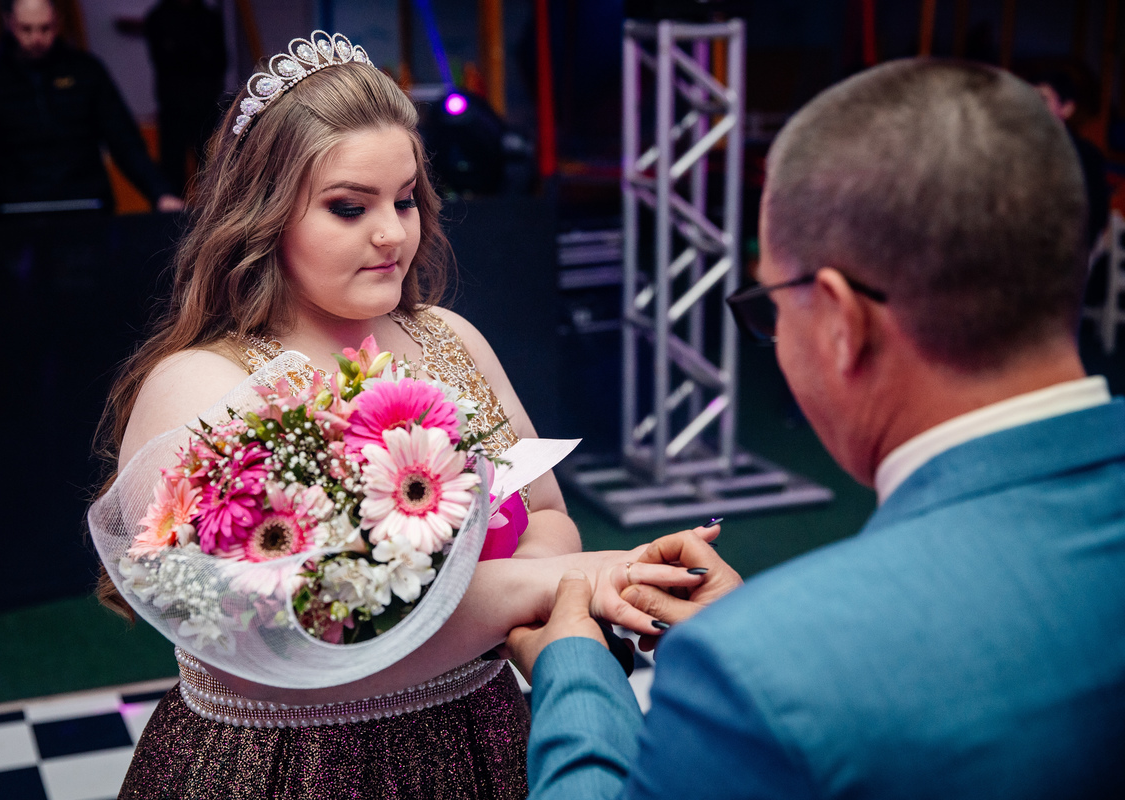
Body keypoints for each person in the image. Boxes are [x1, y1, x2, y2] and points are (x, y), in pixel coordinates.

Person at [95, 30, 707, 799]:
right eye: (350, 207)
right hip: (287, 768)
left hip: (482, 736)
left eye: (406, 199)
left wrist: (542, 573)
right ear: (264, 214)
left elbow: (547, 514)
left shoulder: (449, 339)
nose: (392, 233)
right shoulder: (199, 385)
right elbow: (276, 646)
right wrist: (558, 584)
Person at [508, 59, 1125, 799]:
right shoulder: (775, 652)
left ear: (839, 321)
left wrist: (574, 672)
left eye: (771, 304)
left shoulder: (762, 674)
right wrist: (760, 625)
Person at [0, 0, 183, 215]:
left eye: (45, 28)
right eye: (26, 29)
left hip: (87, 204)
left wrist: (161, 193)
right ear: (9, 22)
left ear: (57, 21)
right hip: (14, 210)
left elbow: (124, 139)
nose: (37, 38)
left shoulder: (86, 70)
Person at [143, 0, 227, 196]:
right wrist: (196, 56)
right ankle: (172, 212)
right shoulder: (159, 17)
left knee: (211, 167)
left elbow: (221, 61)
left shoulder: (209, 17)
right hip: (173, 106)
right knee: (172, 171)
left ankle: (214, 209)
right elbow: (162, 60)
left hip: (206, 105)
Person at [1033, 69, 1111, 248]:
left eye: (1043, 99)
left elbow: (1095, 215)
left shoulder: (1085, 155)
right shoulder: (1018, 148)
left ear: (1066, 109)